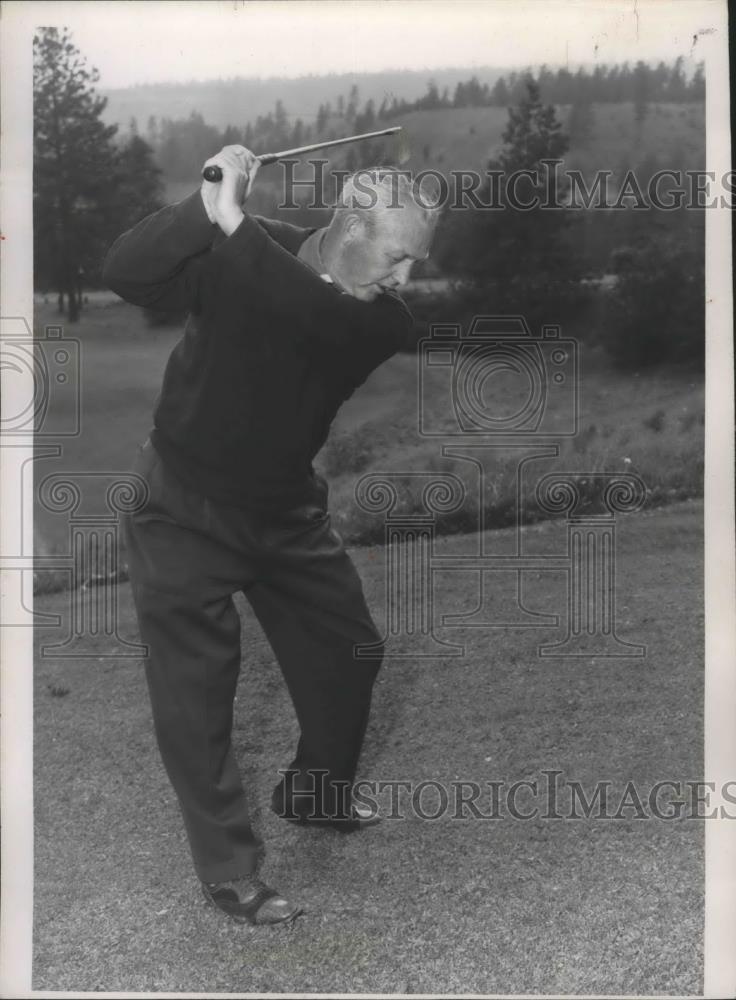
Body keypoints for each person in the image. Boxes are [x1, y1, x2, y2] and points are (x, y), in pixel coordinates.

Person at [103, 145, 437, 927]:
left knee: (350, 649)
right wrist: (203, 207)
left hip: (284, 511)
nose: (407, 281)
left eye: (418, 261)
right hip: (179, 505)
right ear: (348, 224)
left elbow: (299, 312)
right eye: (398, 256)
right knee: (197, 693)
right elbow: (127, 273)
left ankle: (313, 794)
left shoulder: (378, 321)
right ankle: (228, 866)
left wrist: (231, 227)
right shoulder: (253, 249)